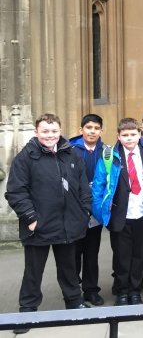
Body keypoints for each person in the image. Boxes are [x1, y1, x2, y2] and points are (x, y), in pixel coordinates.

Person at [6, 113, 91, 329]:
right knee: (33, 272)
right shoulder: (24, 158)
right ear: (36, 132)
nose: (50, 135)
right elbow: (16, 192)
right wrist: (31, 219)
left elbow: (83, 186)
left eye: (54, 131)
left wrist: (84, 213)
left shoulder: (71, 154)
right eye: (45, 131)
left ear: (60, 131)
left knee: (69, 269)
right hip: (38, 226)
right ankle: (27, 311)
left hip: (68, 223)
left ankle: (74, 303)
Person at [92, 117, 143, 305]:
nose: (129, 138)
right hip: (119, 214)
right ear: (118, 136)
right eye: (125, 135)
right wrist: (101, 214)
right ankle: (122, 291)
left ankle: (135, 290)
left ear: (140, 135)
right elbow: (98, 187)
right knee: (122, 256)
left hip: (141, 213)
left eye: (133, 134)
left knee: (138, 255)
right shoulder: (109, 156)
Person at [69, 114, 106, 306]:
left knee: (92, 252)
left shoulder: (106, 152)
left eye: (96, 128)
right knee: (74, 252)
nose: (92, 131)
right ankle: (73, 291)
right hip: (74, 209)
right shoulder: (69, 150)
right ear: (81, 129)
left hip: (96, 208)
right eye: (88, 127)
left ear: (101, 131)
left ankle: (91, 290)